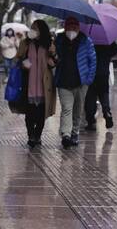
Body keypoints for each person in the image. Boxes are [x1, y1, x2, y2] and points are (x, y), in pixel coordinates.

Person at [54, 17, 96, 148]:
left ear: (78, 28)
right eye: (69, 26)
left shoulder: (86, 41)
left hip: (81, 82)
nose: (71, 29)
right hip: (63, 81)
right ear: (65, 27)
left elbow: (92, 61)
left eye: (74, 27)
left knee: (77, 110)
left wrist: (88, 79)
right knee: (67, 109)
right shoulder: (59, 40)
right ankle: (66, 135)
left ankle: (74, 132)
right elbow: (53, 57)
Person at [15, 20, 57, 148]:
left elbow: (56, 60)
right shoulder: (26, 43)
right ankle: (31, 136)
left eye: (35, 28)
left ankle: (37, 135)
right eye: (32, 28)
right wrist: (23, 63)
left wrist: (52, 58)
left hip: (45, 84)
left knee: (41, 114)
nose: (32, 30)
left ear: (42, 31)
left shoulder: (49, 44)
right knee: (30, 113)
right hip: (29, 83)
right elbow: (18, 58)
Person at [85, 42, 117, 130]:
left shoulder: (89, 40)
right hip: (103, 72)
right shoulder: (107, 40)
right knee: (104, 94)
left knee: (90, 97)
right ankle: (107, 112)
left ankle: (91, 120)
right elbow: (115, 51)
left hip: (91, 73)